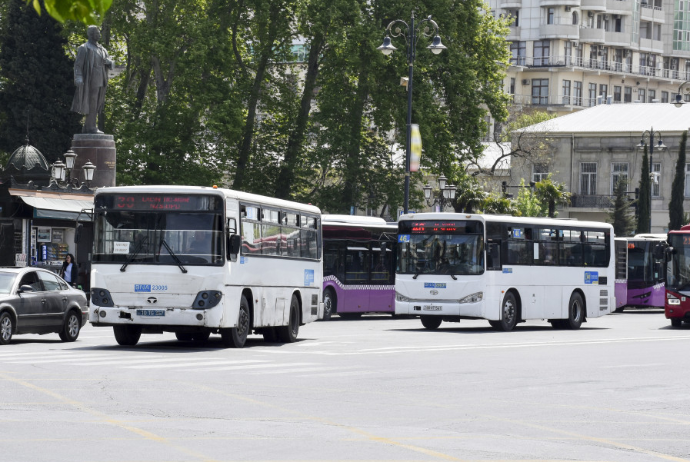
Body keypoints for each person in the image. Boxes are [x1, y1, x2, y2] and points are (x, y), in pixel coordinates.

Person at [72, 25, 113, 134]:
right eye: (97, 32)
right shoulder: (84, 48)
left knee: (98, 103)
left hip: (102, 80)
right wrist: (78, 78)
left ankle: (87, 127)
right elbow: (78, 65)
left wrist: (110, 63)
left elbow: (110, 61)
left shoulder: (102, 49)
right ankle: (90, 127)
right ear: (91, 34)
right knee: (92, 102)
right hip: (90, 79)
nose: (99, 34)